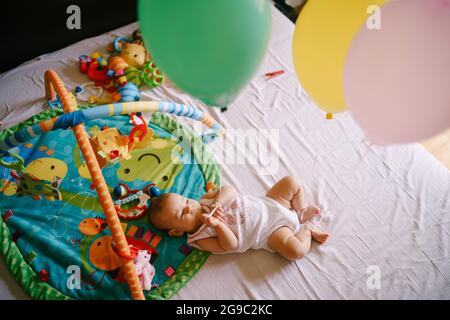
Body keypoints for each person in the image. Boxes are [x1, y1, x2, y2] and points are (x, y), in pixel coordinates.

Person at [148, 176, 329, 260]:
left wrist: (218, 202)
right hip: (269, 233)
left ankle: (301, 211)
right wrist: (218, 225)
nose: (189, 206)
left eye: (186, 200)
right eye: (181, 214)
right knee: (295, 251)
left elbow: (231, 190)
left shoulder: (205, 201)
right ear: (176, 231)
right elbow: (231, 244)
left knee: (292, 182)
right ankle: (306, 230)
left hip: (270, 204)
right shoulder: (200, 239)